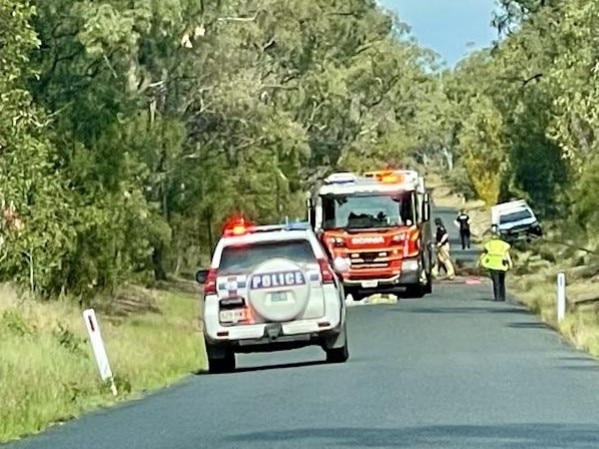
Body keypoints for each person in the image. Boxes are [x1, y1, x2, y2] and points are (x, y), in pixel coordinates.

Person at [478, 225, 513, 301]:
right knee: (502, 281)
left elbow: (484, 254)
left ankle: (497, 297)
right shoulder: (503, 244)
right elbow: (506, 254)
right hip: (502, 264)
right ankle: (502, 297)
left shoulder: (489, 244)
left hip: (492, 265)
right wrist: (510, 263)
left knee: (496, 282)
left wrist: (480, 262)